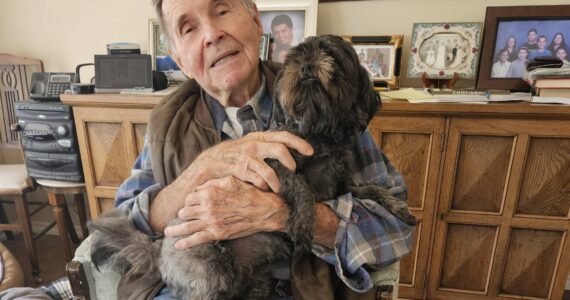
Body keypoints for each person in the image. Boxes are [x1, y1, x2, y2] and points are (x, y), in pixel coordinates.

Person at [113, 0, 414, 299]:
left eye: (221, 11)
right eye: (189, 28)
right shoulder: (168, 122)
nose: (211, 34)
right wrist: (202, 170)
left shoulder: (326, 98)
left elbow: (396, 230)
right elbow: (123, 226)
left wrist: (283, 214)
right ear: (178, 58)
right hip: (192, 286)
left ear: (256, 21)